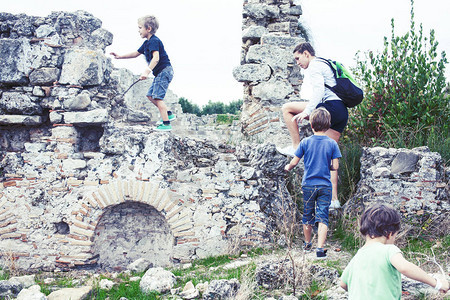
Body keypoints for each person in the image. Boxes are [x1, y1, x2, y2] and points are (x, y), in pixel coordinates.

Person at [278, 42, 348, 209]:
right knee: (330, 157)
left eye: (298, 58)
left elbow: (318, 91)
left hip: (329, 107)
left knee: (287, 108)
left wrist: (307, 111)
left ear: (306, 53)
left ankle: (295, 146)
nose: (297, 63)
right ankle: (334, 200)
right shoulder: (324, 62)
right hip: (341, 112)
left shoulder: (315, 66)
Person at [340, 203, 449, 299]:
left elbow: (343, 284)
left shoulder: (358, 256)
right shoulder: (388, 250)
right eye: (395, 236)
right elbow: (405, 268)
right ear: (390, 233)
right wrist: (437, 284)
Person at [284, 107, 341, 258]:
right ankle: (320, 249)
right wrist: (325, 165)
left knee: (308, 215)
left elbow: (294, 162)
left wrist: (287, 167)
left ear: (311, 125)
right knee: (323, 216)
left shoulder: (305, 142)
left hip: (308, 184)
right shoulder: (332, 144)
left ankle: (307, 244)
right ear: (328, 124)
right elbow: (335, 167)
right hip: (325, 186)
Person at [110, 15, 175, 131]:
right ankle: (168, 113)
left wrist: (147, 71)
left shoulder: (154, 41)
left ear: (148, 28)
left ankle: (166, 124)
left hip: (164, 71)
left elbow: (156, 58)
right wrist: (120, 57)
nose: (138, 30)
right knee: (150, 96)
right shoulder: (146, 43)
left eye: (140, 28)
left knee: (157, 97)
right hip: (160, 73)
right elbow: (135, 54)